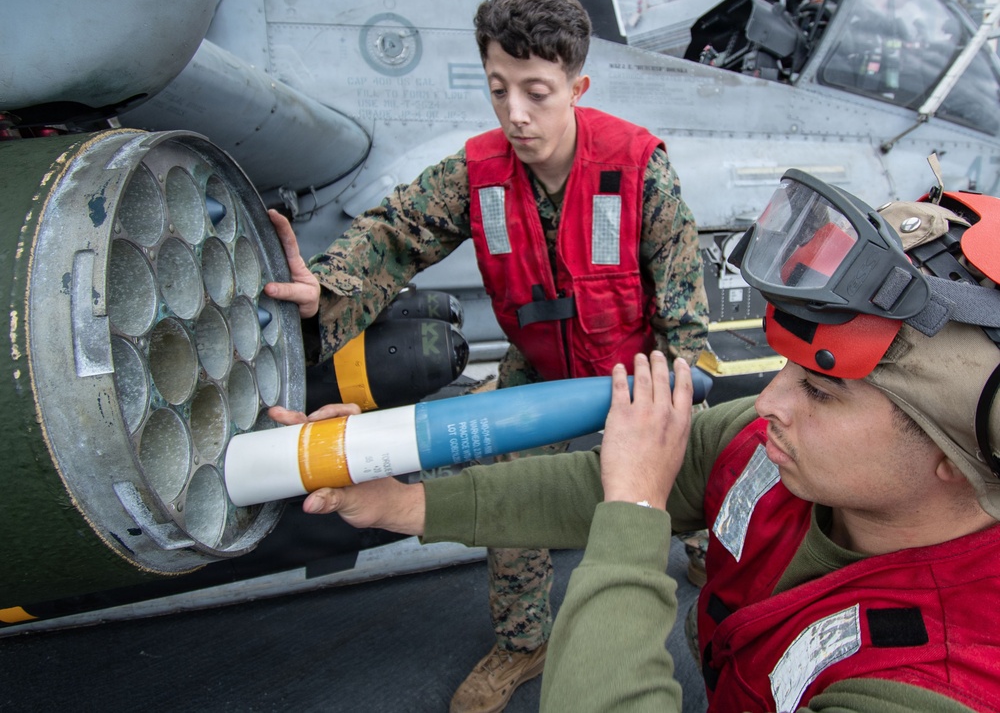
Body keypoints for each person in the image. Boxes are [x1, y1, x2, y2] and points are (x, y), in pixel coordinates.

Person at [278, 170, 1000, 712]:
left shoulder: (941, 682)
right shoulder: (772, 449)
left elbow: (620, 498)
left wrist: (635, 514)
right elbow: (588, 484)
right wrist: (400, 505)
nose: (770, 401)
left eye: (820, 390)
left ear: (954, 453)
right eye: (787, 369)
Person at [264, 0, 709, 712]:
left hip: (640, 377)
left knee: (697, 483)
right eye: (499, 90)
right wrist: (330, 288)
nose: (515, 115)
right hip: (539, 374)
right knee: (511, 504)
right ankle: (523, 638)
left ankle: (709, 554)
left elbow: (683, 311)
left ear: (578, 85)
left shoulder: (638, 170)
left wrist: (676, 405)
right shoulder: (478, 175)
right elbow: (395, 232)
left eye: (537, 92)